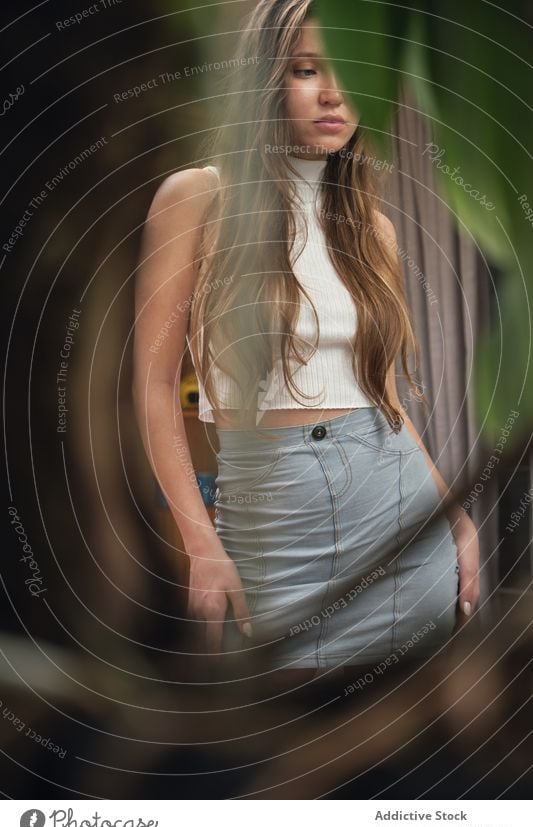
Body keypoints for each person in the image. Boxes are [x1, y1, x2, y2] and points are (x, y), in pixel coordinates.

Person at [133, 0, 480, 681]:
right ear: (266, 79)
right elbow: (150, 387)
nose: (332, 92)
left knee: (404, 743)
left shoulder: (369, 229)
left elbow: (381, 396)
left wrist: (454, 516)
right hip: (270, 519)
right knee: (273, 757)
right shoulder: (197, 198)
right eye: (304, 69)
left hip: (399, 511)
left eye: (348, 72)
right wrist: (199, 539)